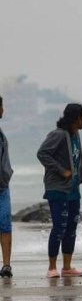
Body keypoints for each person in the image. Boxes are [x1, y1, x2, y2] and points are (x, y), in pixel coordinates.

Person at [37, 103, 82, 279]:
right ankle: (52, 268)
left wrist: (79, 176)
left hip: (73, 189)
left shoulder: (76, 134)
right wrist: (61, 170)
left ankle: (67, 267)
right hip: (57, 188)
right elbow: (42, 153)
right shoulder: (58, 135)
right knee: (59, 227)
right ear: (75, 119)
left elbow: (78, 158)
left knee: (71, 227)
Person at [0, 95, 14, 278]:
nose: (3, 110)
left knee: (5, 225)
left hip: (2, 186)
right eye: (1, 106)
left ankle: (7, 265)